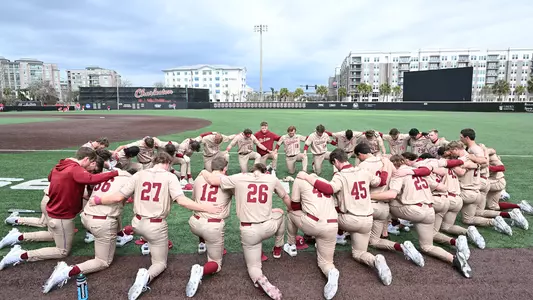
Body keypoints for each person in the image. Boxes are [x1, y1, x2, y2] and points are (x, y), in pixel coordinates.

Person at [87, 152, 221, 300]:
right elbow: (182, 201)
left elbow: (119, 197)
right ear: (168, 164)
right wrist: (206, 208)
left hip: (137, 223)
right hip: (155, 226)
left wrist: (98, 200)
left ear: (154, 161)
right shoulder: (170, 177)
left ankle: (146, 244)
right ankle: (146, 276)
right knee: (160, 263)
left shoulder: (139, 174)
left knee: (149, 236)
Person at [0, 147, 119, 270]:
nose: (90, 169)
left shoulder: (62, 164)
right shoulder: (74, 169)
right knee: (62, 251)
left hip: (52, 209)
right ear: (86, 159)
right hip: (62, 216)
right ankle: (20, 255)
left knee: (53, 234)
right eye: (91, 164)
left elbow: (49, 177)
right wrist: (114, 173)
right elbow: (91, 179)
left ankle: (18, 236)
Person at [297, 148, 393, 286]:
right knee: (359, 253)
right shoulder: (363, 171)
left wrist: (308, 177)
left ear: (336, 161)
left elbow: (329, 189)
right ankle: (375, 260)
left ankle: (318, 241)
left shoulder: (340, 176)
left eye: (333, 163)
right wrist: (385, 167)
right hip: (367, 220)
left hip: (348, 220)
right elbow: (382, 181)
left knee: (324, 223)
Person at [369, 154, 472, 278]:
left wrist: (369, 196)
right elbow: (440, 182)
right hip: (429, 210)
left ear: (394, 165)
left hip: (413, 210)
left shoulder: (398, 174)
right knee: (427, 246)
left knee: (385, 205)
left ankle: (387, 231)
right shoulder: (419, 173)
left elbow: (391, 195)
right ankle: (453, 258)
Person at [201, 163, 291, 300]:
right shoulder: (271, 179)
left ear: (251, 171)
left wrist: (203, 172)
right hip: (268, 226)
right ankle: (278, 248)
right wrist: (291, 210)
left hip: (249, 230)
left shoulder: (238, 177)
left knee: (254, 267)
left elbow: (212, 180)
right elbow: (285, 198)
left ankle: (259, 277)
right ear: (265, 171)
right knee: (280, 214)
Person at [42, 168, 137, 293]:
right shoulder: (131, 179)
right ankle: (66, 271)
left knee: (112, 218)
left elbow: (88, 192)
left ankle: (107, 236)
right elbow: (119, 198)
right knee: (103, 261)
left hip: (86, 216)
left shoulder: (107, 174)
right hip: (101, 222)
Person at [283, 174, 340, 300]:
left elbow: (295, 206)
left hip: (313, 223)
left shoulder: (299, 179)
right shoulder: (325, 180)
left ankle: (291, 245)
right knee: (326, 262)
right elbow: (337, 206)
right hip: (332, 225)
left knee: (291, 212)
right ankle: (331, 271)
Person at [185, 155, 234, 297]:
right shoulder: (227, 181)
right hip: (212, 227)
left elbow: (194, 199)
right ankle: (200, 271)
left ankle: (202, 244)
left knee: (203, 229)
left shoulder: (200, 178)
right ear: (225, 169)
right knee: (216, 265)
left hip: (194, 222)